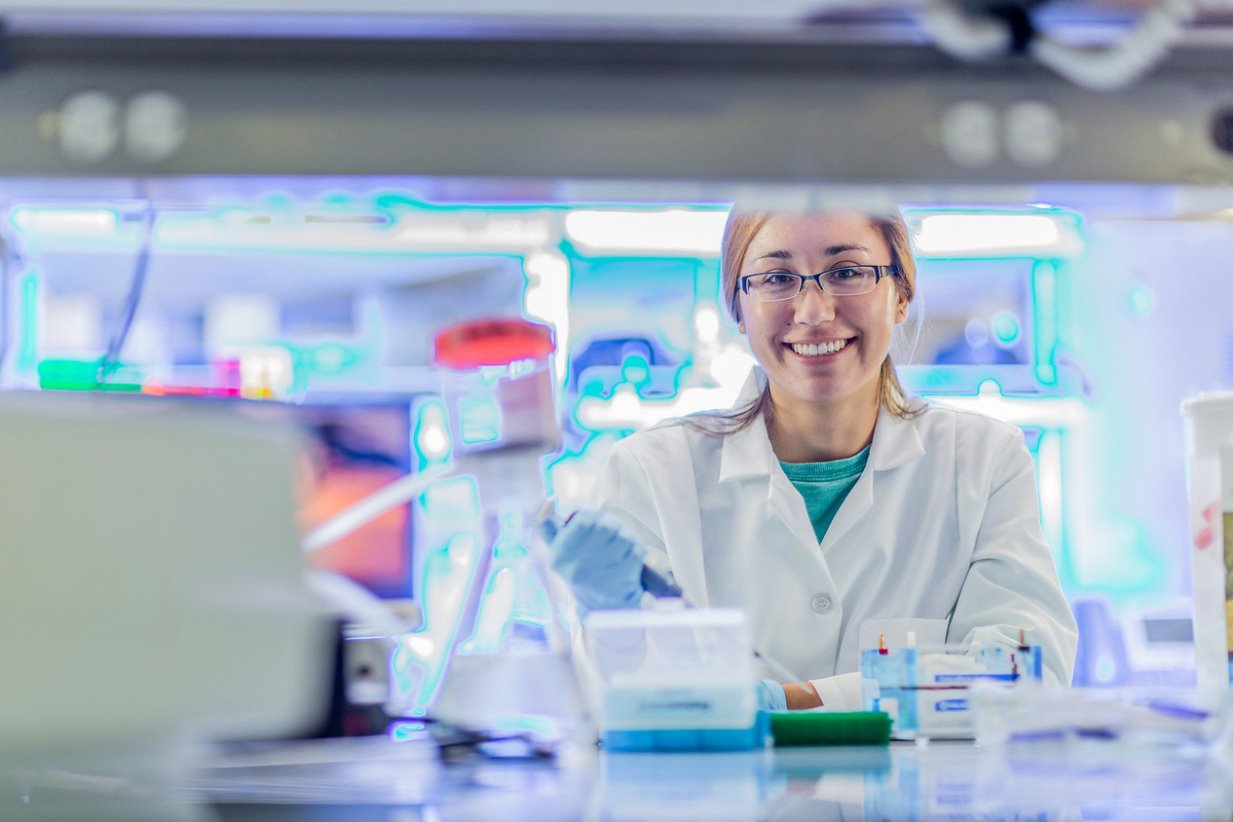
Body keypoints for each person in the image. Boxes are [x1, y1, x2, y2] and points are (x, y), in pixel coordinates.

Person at [548, 209, 1078, 711]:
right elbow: (621, 709)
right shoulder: (650, 473)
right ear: (738, 307)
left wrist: (794, 702)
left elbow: (1027, 674)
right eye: (776, 278)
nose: (814, 312)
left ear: (901, 295)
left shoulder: (984, 462)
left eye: (846, 271)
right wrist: (606, 624)